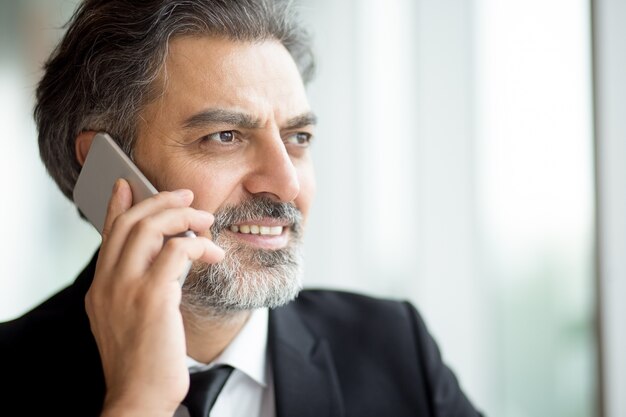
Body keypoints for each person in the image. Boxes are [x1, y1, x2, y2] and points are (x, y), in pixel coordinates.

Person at [0, 1, 483, 416]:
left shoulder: (395, 347)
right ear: (107, 172)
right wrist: (138, 402)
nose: (285, 183)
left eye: (298, 138)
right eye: (225, 137)